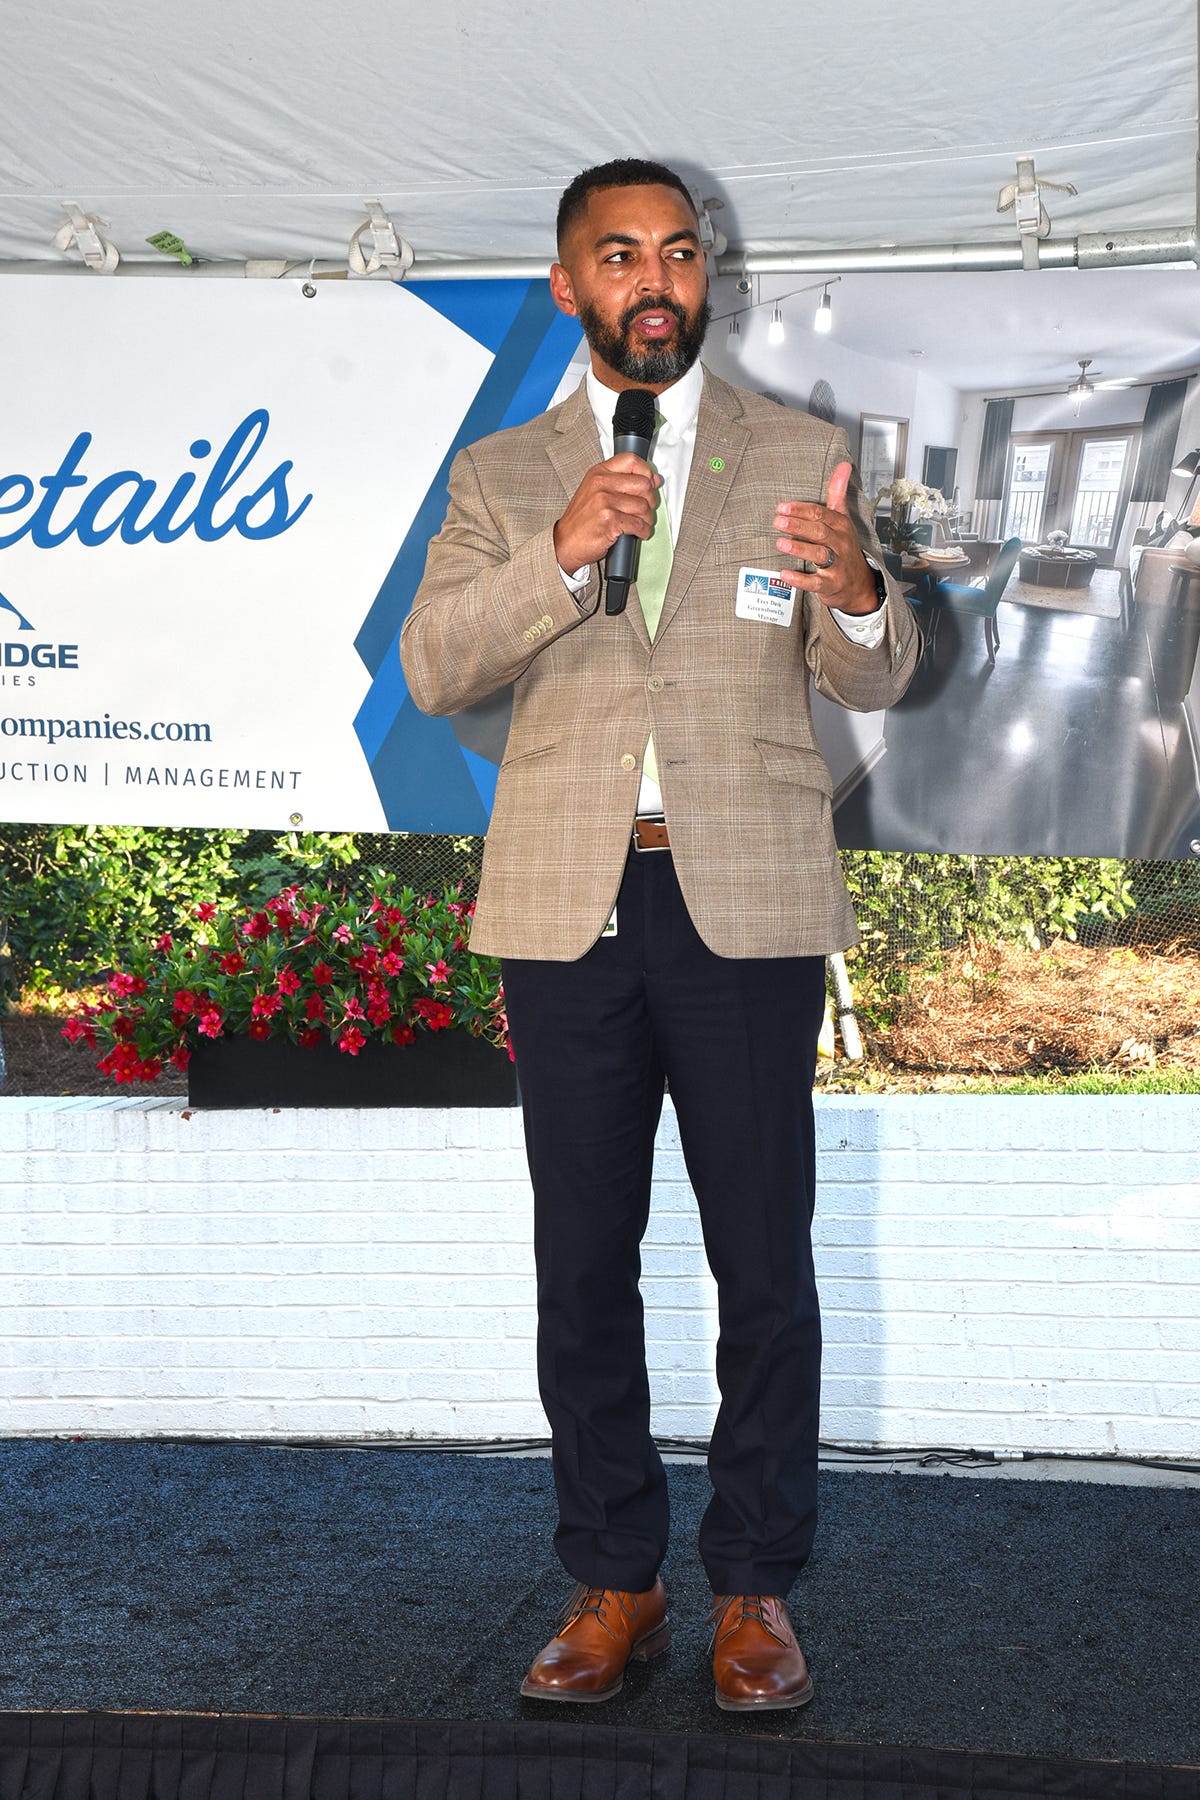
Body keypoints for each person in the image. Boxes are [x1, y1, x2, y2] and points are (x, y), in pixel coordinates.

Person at [401, 158, 920, 1712]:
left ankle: (755, 1590)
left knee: (764, 1261)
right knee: (584, 1263)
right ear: (570, 285)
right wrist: (562, 551)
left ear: (707, 277)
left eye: (678, 253)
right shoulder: (504, 473)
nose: (654, 281)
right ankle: (613, 1580)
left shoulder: (801, 453)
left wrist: (859, 590)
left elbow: (877, 676)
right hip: (568, 908)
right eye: (619, 255)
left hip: (743, 902)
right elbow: (432, 665)